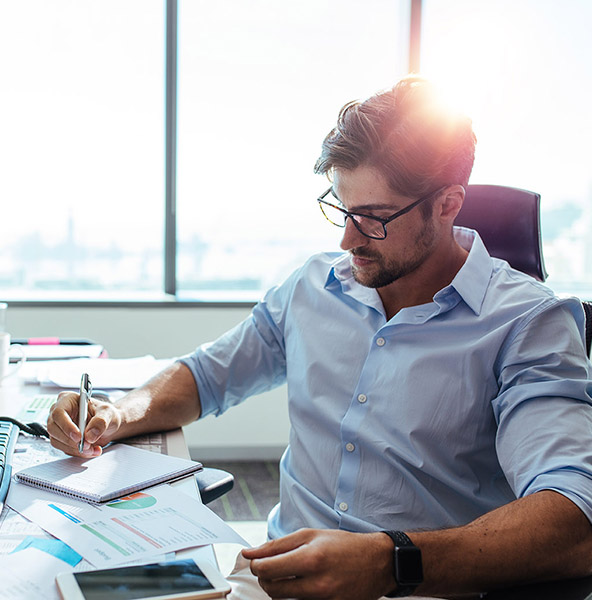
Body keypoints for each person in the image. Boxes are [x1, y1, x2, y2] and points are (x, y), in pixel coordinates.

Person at [47, 76, 592, 599]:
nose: (347, 238)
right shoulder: (314, 285)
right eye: (341, 207)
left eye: (373, 217)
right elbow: (208, 375)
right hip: (273, 575)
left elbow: (575, 518)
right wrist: (119, 413)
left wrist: (388, 561)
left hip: (418, 586)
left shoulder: (527, 324)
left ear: (448, 204)